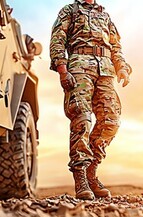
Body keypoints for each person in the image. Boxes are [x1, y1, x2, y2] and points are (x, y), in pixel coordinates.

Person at [50, 0, 132, 200]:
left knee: (110, 121)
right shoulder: (69, 10)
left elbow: (115, 45)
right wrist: (62, 69)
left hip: (105, 70)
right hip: (79, 67)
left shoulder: (105, 15)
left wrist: (121, 66)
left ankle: (91, 171)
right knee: (82, 119)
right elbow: (58, 39)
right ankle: (81, 178)